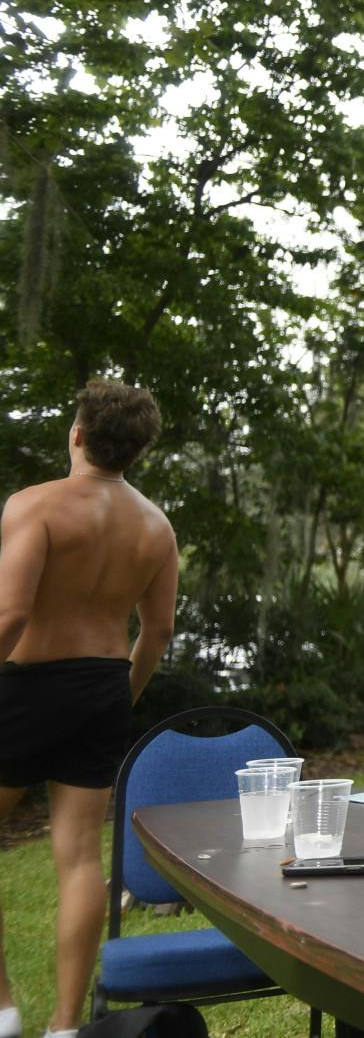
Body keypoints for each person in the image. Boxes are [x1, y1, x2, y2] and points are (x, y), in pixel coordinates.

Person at [0, 382, 177, 1038]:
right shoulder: (155, 525)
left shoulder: (35, 505)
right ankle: (66, 1026)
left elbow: (12, 613)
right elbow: (156, 632)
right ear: (137, 450)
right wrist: (118, 696)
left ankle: (4, 1011)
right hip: (103, 685)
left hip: (26, 687)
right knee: (78, 856)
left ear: (77, 433)